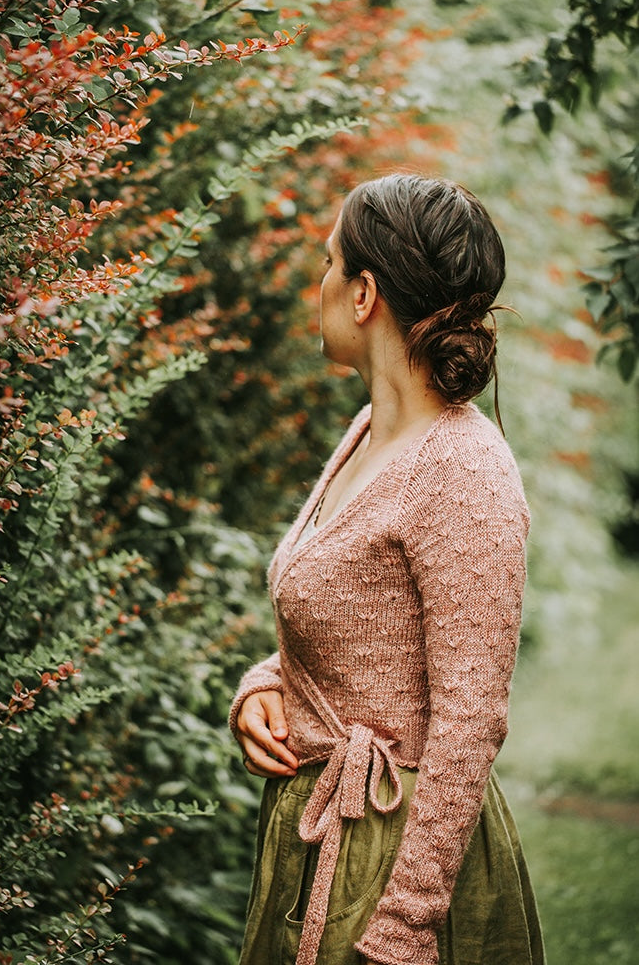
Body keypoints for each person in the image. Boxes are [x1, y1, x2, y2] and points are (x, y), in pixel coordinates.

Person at [229, 173, 545, 965]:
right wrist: (263, 688)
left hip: (399, 858)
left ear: (364, 293)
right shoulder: (369, 432)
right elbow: (348, 631)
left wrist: (403, 928)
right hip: (321, 834)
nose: (319, 284)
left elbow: (470, 722)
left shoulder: (463, 469)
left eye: (330, 264)